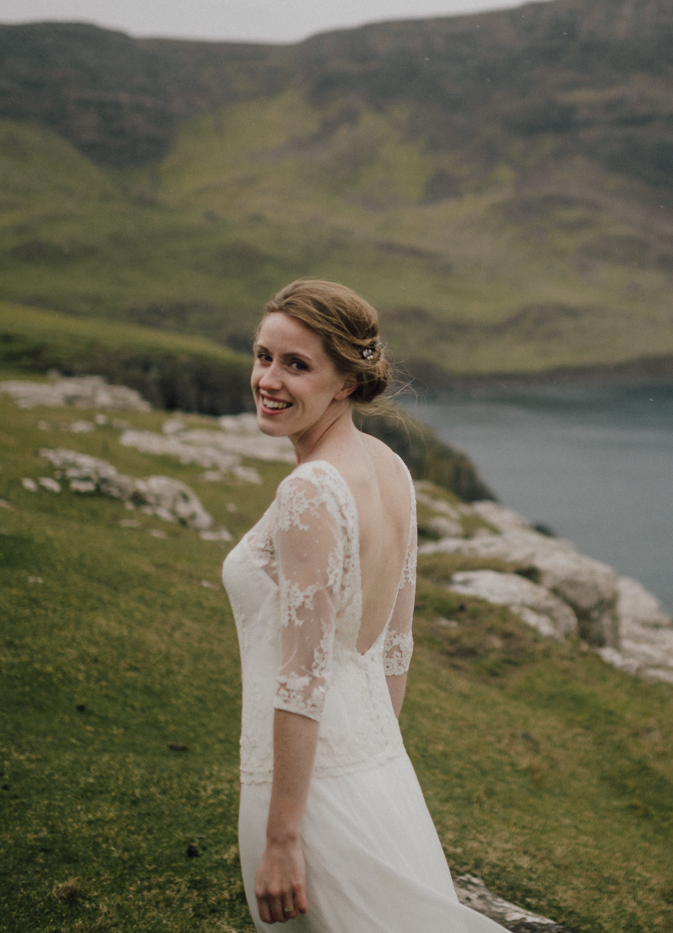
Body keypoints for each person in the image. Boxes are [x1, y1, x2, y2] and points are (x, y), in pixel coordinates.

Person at [222, 278, 506, 932]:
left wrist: (285, 837)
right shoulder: (391, 469)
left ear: (345, 381)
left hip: (308, 797)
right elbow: (393, 651)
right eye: (264, 355)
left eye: (297, 365)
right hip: (380, 778)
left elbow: (301, 679)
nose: (269, 378)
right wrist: (378, 773)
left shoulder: (310, 491)